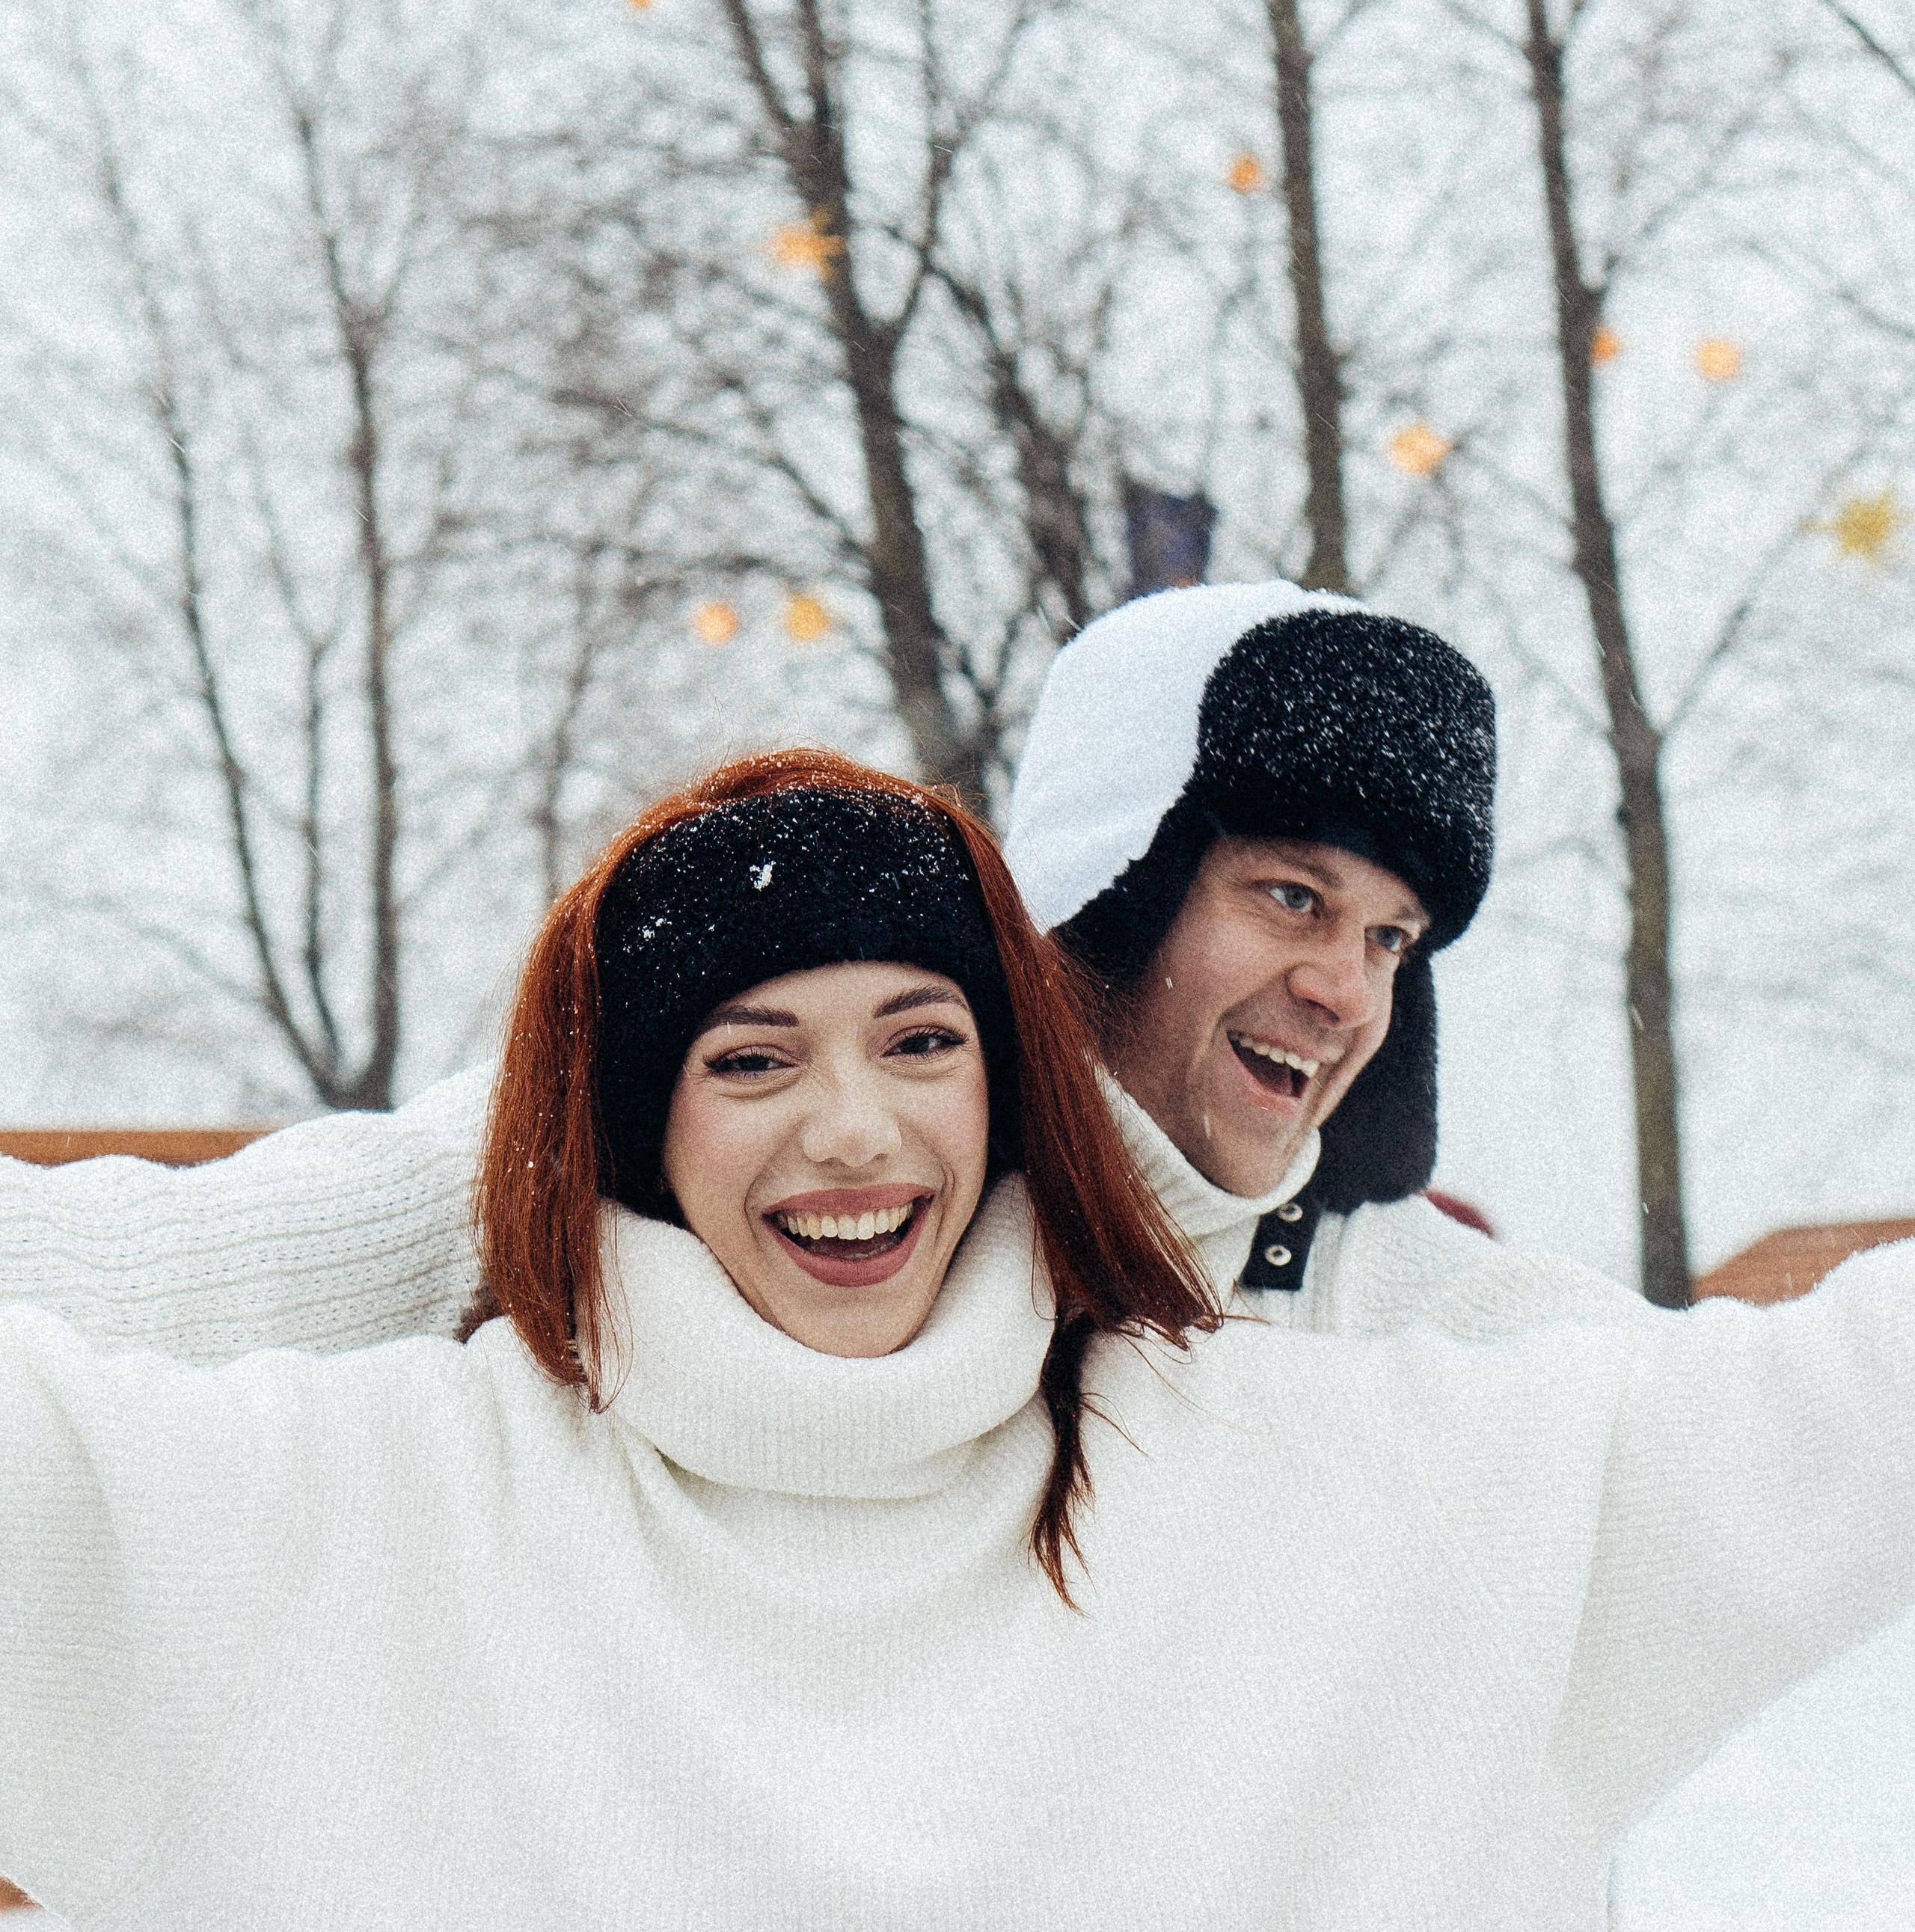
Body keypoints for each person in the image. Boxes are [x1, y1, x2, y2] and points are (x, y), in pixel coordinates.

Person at [7, 745, 1915, 1932]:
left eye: (920, 1039)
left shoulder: (1369, 1493)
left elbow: (1839, 1410)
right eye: (749, 1061)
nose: (855, 1130)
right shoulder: (299, 1534)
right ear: (628, 1112)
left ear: (1010, 1081)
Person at [0, 582, 1634, 1360]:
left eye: (1387, 939)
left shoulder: (1371, 1300)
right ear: (1116, 883)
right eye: (1289, 897)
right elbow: (163, 1267)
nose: (1347, 991)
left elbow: (1716, 1424)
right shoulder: (754, 1132)